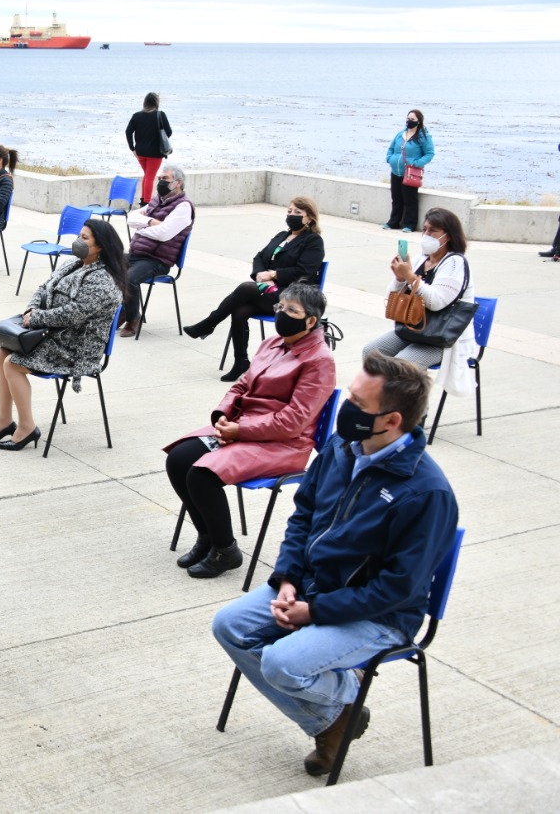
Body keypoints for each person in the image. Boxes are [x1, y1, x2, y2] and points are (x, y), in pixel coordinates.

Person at [212, 353, 458, 776]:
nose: (345, 408)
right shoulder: (341, 448)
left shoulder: (426, 493)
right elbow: (304, 513)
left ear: (392, 420)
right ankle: (335, 718)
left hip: (380, 616)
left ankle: (343, 702)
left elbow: (397, 587)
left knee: (280, 663)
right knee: (228, 625)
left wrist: (316, 612)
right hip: (311, 586)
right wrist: (288, 578)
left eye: (358, 404)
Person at [165, 283, 337, 579]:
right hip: (243, 428)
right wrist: (224, 414)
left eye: (291, 310)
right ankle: (206, 536)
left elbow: (293, 421)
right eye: (280, 307)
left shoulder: (319, 360)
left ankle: (225, 550)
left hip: (283, 443)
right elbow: (242, 384)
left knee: (202, 474)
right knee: (178, 460)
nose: (283, 314)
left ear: (311, 321)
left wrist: (239, 430)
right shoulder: (272, 343)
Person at [0, 218, 125, 451]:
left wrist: (36, 319)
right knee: (0, 353)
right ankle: (4, 421)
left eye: (84, 238)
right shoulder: (72, 263)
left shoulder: (103, 281)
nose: (77, 241)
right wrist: (31, 309)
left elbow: (75, 314)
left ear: (101, 247)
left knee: (12, 364)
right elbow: (43, 288)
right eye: (79, 235)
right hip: (53, 334)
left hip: (75, 347)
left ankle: (27, 428)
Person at [184, 197, 326, 382]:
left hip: (292, 298)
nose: (292, 215)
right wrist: (260, 274)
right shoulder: (281, 236)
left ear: (309, 218)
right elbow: (260, 256)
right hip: (268, 291)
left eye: (298, 213)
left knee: (245, 288)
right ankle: (240, 362)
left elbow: (304, 271)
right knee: (240, 310)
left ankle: (209, 323)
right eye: (289, 211)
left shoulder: (313, 241)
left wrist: (273, 275)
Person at [362, 207, 476, 398]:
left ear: (448, 236)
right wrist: (400, 278)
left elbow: (437, 302)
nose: (426, 235)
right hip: (413, 329)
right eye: (424, 230)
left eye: (433, 231)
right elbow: (392, 297)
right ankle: (380, 404)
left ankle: (414, 415)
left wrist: (411, 278)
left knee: (401, 364)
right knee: (371, 352)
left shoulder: (455, 263)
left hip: (440, 337)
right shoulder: (420, 259)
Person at [118, 163, 194, 337]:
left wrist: (141, 228)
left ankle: (133, 318)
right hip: (138, 254)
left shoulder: (183, 207)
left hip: (157, 260)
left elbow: (164, 234)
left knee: (129, 279)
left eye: (165, 179)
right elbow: (131, 218)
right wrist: (151, 222)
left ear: (178, 183)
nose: (160, 182)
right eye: (159, 178)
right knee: (104, 264)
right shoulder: (157, 200)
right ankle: (124, 309)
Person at [383, 109, 435, 232]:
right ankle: (393, 222)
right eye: (408, 118)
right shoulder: (400, 134)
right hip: (396, 171)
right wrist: (390, 159)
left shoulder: (424, 137)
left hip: (411, 173)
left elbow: (429, 153)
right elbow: (391, 148)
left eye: (412, 119)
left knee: (410, 199)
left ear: (419, 121)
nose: (409, 121)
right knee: (396, 198)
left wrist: (417, 163)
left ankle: (410, 224)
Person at [124, 92, 171, 207]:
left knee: (147, 175)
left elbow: (128, 132)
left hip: (140, 153)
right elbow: (168, 132)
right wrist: (157, 139)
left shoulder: (137, 116)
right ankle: (146, 203)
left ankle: (143, 199)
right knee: (150, 177)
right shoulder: (160, 115)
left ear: (145, 102)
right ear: (156, 103)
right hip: (155, 153)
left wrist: (132, 148)